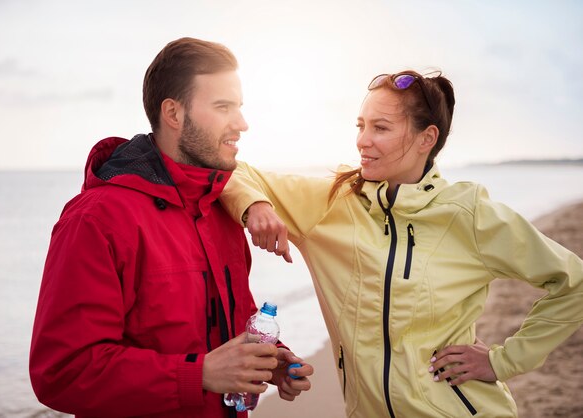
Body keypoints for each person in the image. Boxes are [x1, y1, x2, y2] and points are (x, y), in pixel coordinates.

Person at [219, 70, 583, 417]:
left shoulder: (468, 214)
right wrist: (256, 204)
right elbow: (231, 169)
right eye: (361, 126)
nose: (363, 140)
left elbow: (573, 283)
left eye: (381, 128)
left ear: (427, 139)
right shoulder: (330, 204)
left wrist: (502, 361)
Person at [29, 37, 313, 418]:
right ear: (174, 114)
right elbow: (62, 372)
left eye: (239, 107)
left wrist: (267, 358)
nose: (242, 124)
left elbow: (227, 327)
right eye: (223, 107)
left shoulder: (219, 210)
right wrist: (198, 375)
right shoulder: (96, 219)